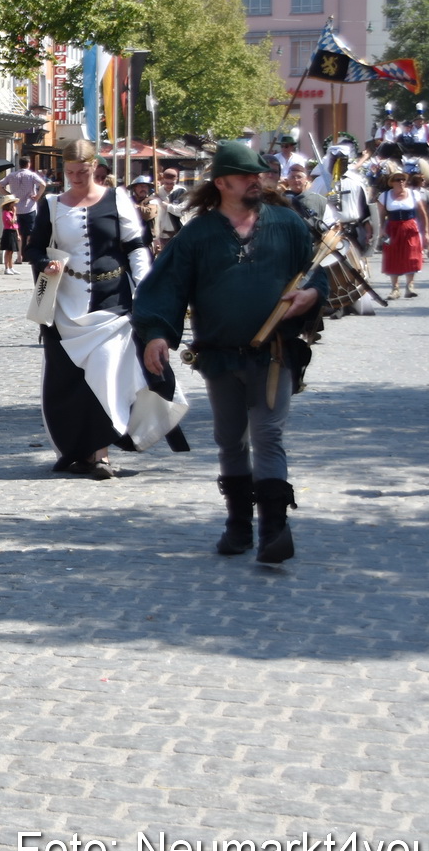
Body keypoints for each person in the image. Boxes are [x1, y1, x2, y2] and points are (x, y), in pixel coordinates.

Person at [133, 141, 326, 564]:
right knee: (230, 439)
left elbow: (317, 274)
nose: (256, 181)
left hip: (274, 354)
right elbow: (165, 286)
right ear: (221, 183)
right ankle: (239, 524)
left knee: (268, 434)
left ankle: (274, 528)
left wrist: (311, 295)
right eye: (246, 176)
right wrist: (156, 334)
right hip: (218, 354)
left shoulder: (288, 224)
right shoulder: (198, 234)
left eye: (259, 174)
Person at [24, 139, 187, 480]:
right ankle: (80, 450)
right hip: (65, 305)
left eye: (82, 172)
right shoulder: (52, 204)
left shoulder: (117, 199)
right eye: (70, 173)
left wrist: (144, 289)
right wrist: (45, 264)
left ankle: (102, 454)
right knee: (72, 384)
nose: (76, 178)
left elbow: (136, 247)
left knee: (106, 375)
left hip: (112, 303)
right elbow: (35, 248)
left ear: (95, 166)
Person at [378, 170, 429, 299]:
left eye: (403, 179)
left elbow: (422, 213)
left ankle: (410, 285)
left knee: (412, 255)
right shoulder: (384, 196)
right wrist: (381, 229)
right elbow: (380, 215)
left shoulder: (413, 194)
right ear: (392, 183)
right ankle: (395, 288)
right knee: (392, 256)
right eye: (397, 180)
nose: (401, 182)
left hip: (410, 227)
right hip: (393, 228)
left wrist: (426, 231)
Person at [1, 158, 47, 250]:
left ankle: (19, 256)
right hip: (29, 207)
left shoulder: (12, 175)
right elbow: (43, 184)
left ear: (19, 164)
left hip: (16, 207)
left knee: (19, 232)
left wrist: (9, 196)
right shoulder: (31, 175)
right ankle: (29, 252)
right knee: (30, 232)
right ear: (29, 164)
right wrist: (38, 196)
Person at [152, 166, 189, 251]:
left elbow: (182, 211)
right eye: (166, 183)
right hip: (161, 236)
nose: (169, 186)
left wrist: (167, 206)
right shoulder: (158, 191)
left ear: (176, 180)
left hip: (177, 234)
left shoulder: (181, 192)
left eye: (172, 183)